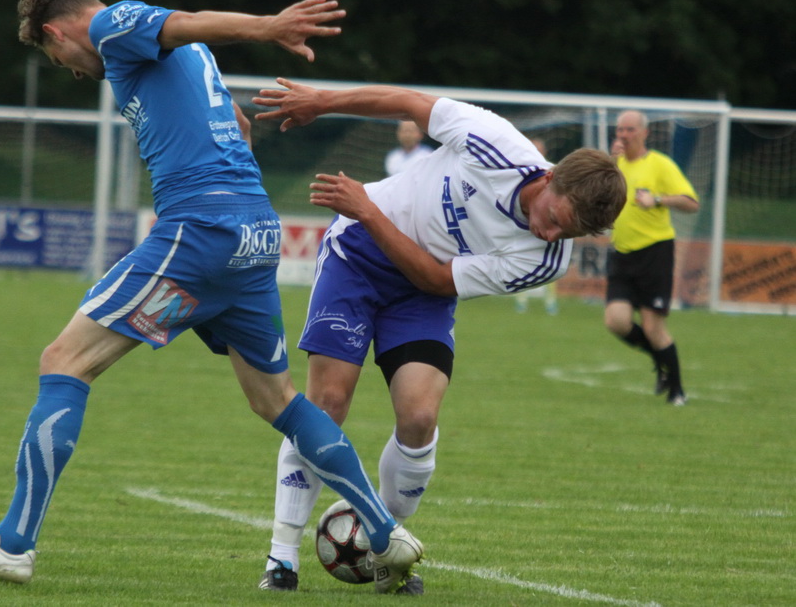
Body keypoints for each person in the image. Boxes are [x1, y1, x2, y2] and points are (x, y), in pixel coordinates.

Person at [0, 0, 423, 594]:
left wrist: (268, 28)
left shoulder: (110, 25)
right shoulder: (187, 58)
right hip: (253, 232)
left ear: (57, 30)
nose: (72, 71)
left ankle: (11, 545)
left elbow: (183, 19)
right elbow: (236, 124)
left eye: (57, 58)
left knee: (63, 361)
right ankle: (384, 534)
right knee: (278, 401)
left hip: (201, 232)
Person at [251, 78, 626, 592]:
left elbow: (434, 279)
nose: (551, 235)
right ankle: (282, 557)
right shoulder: (494, 143)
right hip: (356, 254)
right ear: (550, 178)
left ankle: (386, 545)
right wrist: (323, 102)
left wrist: (369, 209)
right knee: (328, 404)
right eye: (555, 218)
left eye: (569, 234)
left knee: (420, 417)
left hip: (422, 290)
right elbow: (408, 103)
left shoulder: (547, 260)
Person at [604, 110, 699, 406]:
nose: (624, 135)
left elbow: (691, 202)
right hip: (622, 253)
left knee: (653, 327)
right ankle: (660, 361)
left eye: (630, 129)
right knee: (616, 321)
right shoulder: (615, 165)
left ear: (645, 133)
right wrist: (609, 164)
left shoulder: (659, 164)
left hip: (655, 253)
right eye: (620, 129)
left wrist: (656, 199)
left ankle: (677, 391)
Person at [514, 137, 559, 314]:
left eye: (539, 149)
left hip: (547, 225)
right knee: (521, 259)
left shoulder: (551, 171)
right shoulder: (522, 172)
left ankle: (550, 301)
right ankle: (521, 299)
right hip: (526, 225)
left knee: (550, 260)